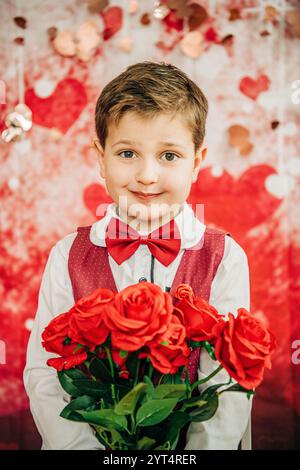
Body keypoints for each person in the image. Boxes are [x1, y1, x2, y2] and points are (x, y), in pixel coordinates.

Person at [23, 61, 252, 450]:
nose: (147, 175)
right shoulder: (67, 255)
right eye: (127, 153)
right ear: (101, 157)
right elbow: (44, 375)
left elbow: (226, 385)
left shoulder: (225, 257)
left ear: (196, 162)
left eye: (169, 156)